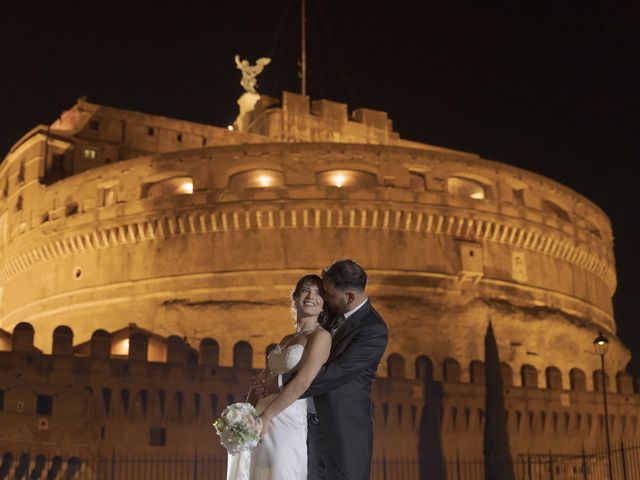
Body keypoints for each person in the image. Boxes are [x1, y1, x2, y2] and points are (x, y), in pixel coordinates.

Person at [257, 259, 389, 480]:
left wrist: (279, 383)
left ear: (349, 297)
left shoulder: (373, 329)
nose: (324, 299)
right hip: (302, 426)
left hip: (342, 433)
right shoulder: (331, 316)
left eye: (328, 294)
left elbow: (335, 373)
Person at [226, 274, 331, 480]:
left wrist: (267, 416)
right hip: (261, 416)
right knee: (254, 471)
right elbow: (262, 379)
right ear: (295, 297)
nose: (311, 296)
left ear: (323, 305)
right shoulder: (287, 339)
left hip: (287, 417)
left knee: (280, 471)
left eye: (318, 293)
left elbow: (303, 382)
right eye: (305, 291)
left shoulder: (321, 336)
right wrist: (246, 413)